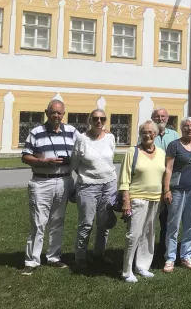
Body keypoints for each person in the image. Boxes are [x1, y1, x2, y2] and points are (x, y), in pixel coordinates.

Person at [21, 100, 79, 276]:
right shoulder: (36, 132)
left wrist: (103, 132)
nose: (56, 116)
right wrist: (43, 161)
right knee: (39, 222)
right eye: (53, 112)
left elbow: (85, 146)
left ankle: (54, 256)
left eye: (60, 113)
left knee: (57, 220)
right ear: (47, 113)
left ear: (64, 114)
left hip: (64, 180)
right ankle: (32, 260)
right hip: (42, 181)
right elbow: (25, 156)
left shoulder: (71, 132)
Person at [118, 120, 166, 283]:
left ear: (156, 134)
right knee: (134, 234)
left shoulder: (161, 153)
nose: (148, 135)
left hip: (155, 199)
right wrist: (126, 200)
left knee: (148, 234)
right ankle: (126, 270)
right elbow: (124, 178)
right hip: (137, 198)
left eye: (151, 132)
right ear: (140, 135)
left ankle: (142, 266)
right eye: (144, 132)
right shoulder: (132, 152)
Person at [71, 109, 117, 269]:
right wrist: (88, 176)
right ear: (90, 120)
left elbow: (110, 159)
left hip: (109, 185)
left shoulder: (111, 138)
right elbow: (75, 164)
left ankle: (99, 254)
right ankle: (80, 257)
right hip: (88, 187)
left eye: (102, 118)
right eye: (96, 118)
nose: (99, 121)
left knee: (104, 223)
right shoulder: (82, 139)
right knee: (86, 223)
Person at [162, 118, 191, 272]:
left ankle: (186, 256)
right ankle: (170, 258)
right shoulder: (174, 145)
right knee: (173, 224)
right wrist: (166, 189)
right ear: (181, 128)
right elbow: (168, 169)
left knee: (190, 224)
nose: (189, 128)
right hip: (177, 190)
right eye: (186, 126)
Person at [150, 108, 179, 260]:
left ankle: (163, 249)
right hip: (152, 182)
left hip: (169, 183)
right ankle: (147, 250)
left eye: (163, 116)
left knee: (167, 218)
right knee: (150, 218)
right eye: (157, 116)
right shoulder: (148, 133)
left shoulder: (174, 135)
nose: (160, 119)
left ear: (167, 119)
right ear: (152, 118)